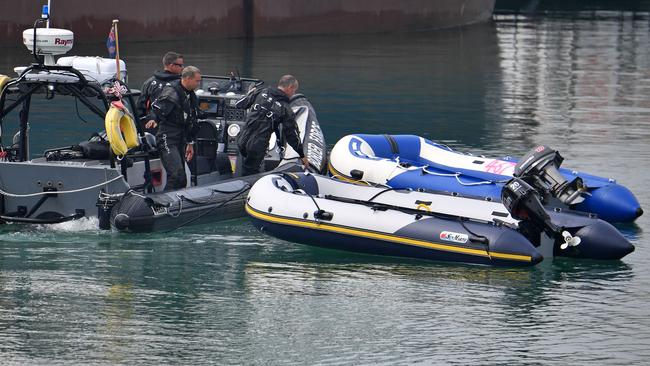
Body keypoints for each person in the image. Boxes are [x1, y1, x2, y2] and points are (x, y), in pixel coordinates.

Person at [236, 75, 310, 176]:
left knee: (244, 163)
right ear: (290, 88)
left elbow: (239, 104)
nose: (294, 94)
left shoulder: (261, 91)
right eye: (294, 91)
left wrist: (250, 93)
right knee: (250, 173)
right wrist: (302, 155)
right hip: (257, 146)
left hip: (242, 139)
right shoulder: (285, 109)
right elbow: (292, 135)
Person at [145, 66, 201, 191]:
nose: (199, 84)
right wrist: (153, 119)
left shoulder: (191, 96)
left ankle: (175, 204)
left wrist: (190, 143)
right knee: (177, 175)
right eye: (197, 81)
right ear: (187, 79)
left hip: (180, 138)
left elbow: (192, 120)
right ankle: (163, 203)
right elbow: (158, 108)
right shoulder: (172, 92)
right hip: (167, 138)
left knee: (182, 179)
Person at [137, 51, 184, 125]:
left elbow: (140, 106)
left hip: (150, 123)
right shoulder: (181, 83)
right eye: (180, 65)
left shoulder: (149, 82)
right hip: (171, 125)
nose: (182, 68)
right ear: (171, 65)